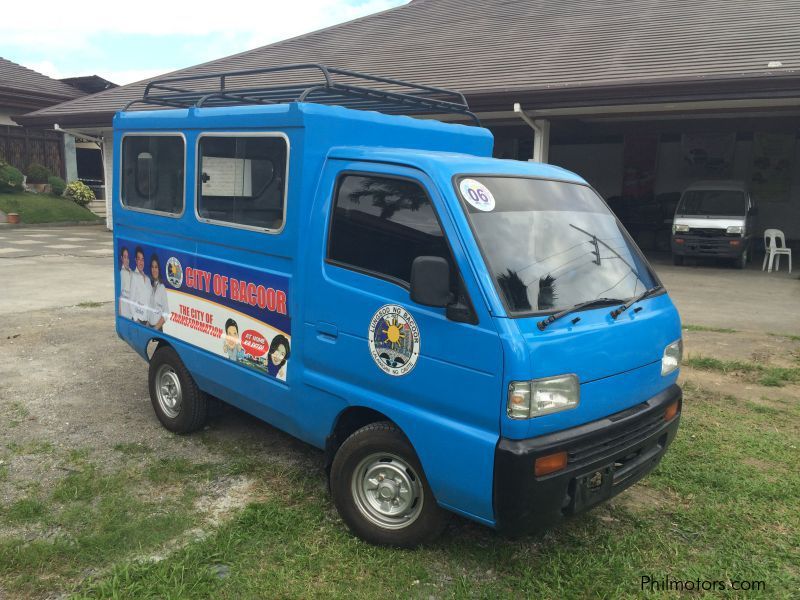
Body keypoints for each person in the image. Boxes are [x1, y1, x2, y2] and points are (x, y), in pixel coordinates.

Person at [129, 246, 151, 324]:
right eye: (139, 259)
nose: (141, 262)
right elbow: (131, 300)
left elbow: (150, 301)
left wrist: (149, 320)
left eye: (143, 259)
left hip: (147, 322)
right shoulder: (134, 276)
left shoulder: (148, 279)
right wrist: (136, 320)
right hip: (138, 320)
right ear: (135, 260)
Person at [147, 254, 169, 330]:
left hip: (157, 329)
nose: (154, 270)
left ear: (159, 269)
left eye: (156, 267)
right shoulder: (150, 286)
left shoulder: (162, 288)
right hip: (149, 327)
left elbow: (166, 313)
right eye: (152, 267)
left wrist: (155, 329)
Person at [118, 247, 133, 319]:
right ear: (121, 258)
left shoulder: (131, 272)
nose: (126, 260)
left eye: (128, 257)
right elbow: (119, 295)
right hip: (124, 312)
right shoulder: (121, 273)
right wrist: (120, 313)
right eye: (125, 257)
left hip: (132, 311)